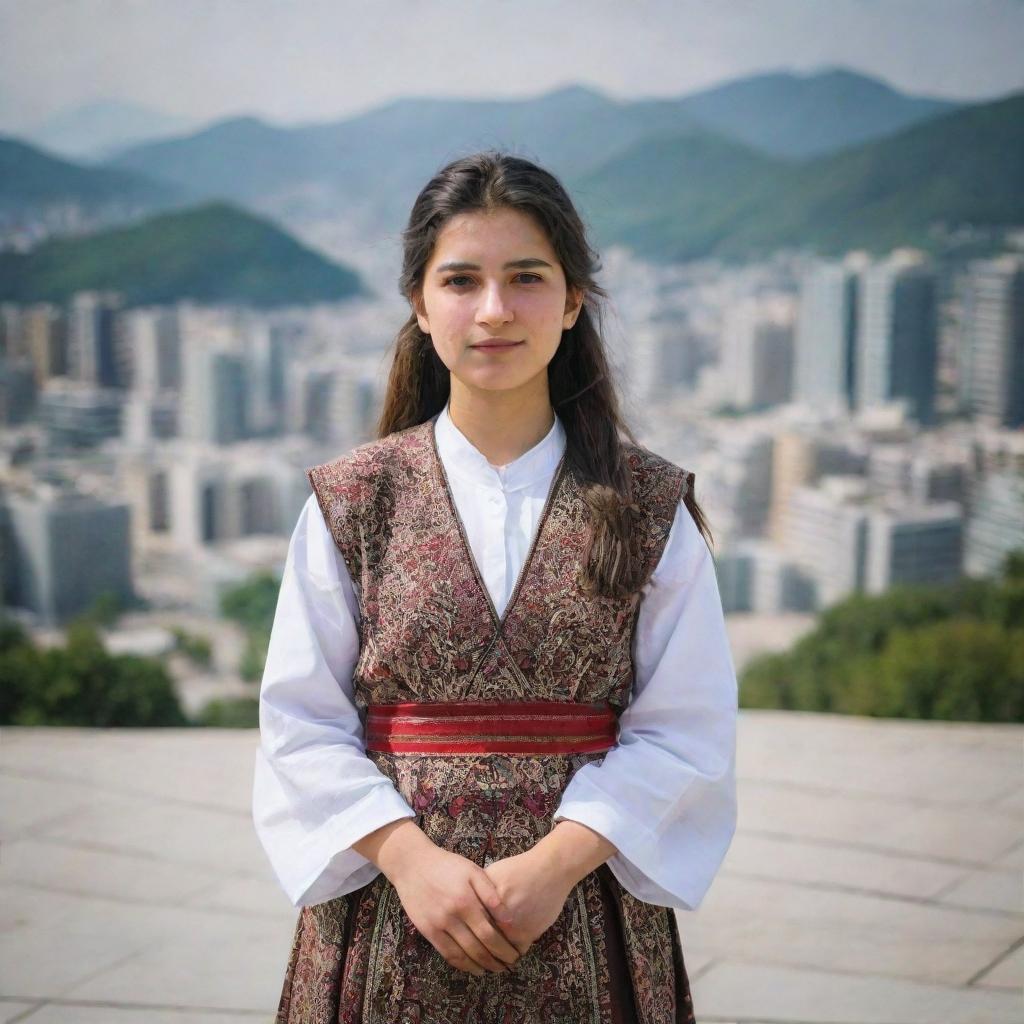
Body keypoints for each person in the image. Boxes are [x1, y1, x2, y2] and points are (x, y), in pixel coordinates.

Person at [252, 150, 738, 1024]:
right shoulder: (354, 499)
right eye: (461, 280)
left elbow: (686, 730)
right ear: (418, 302)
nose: (494, 311)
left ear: (573, 297)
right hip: (387, 912)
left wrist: (553, 867)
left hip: (587, 908)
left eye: (526, 278)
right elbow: (300, 721)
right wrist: (411, 860)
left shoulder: (648, 505)